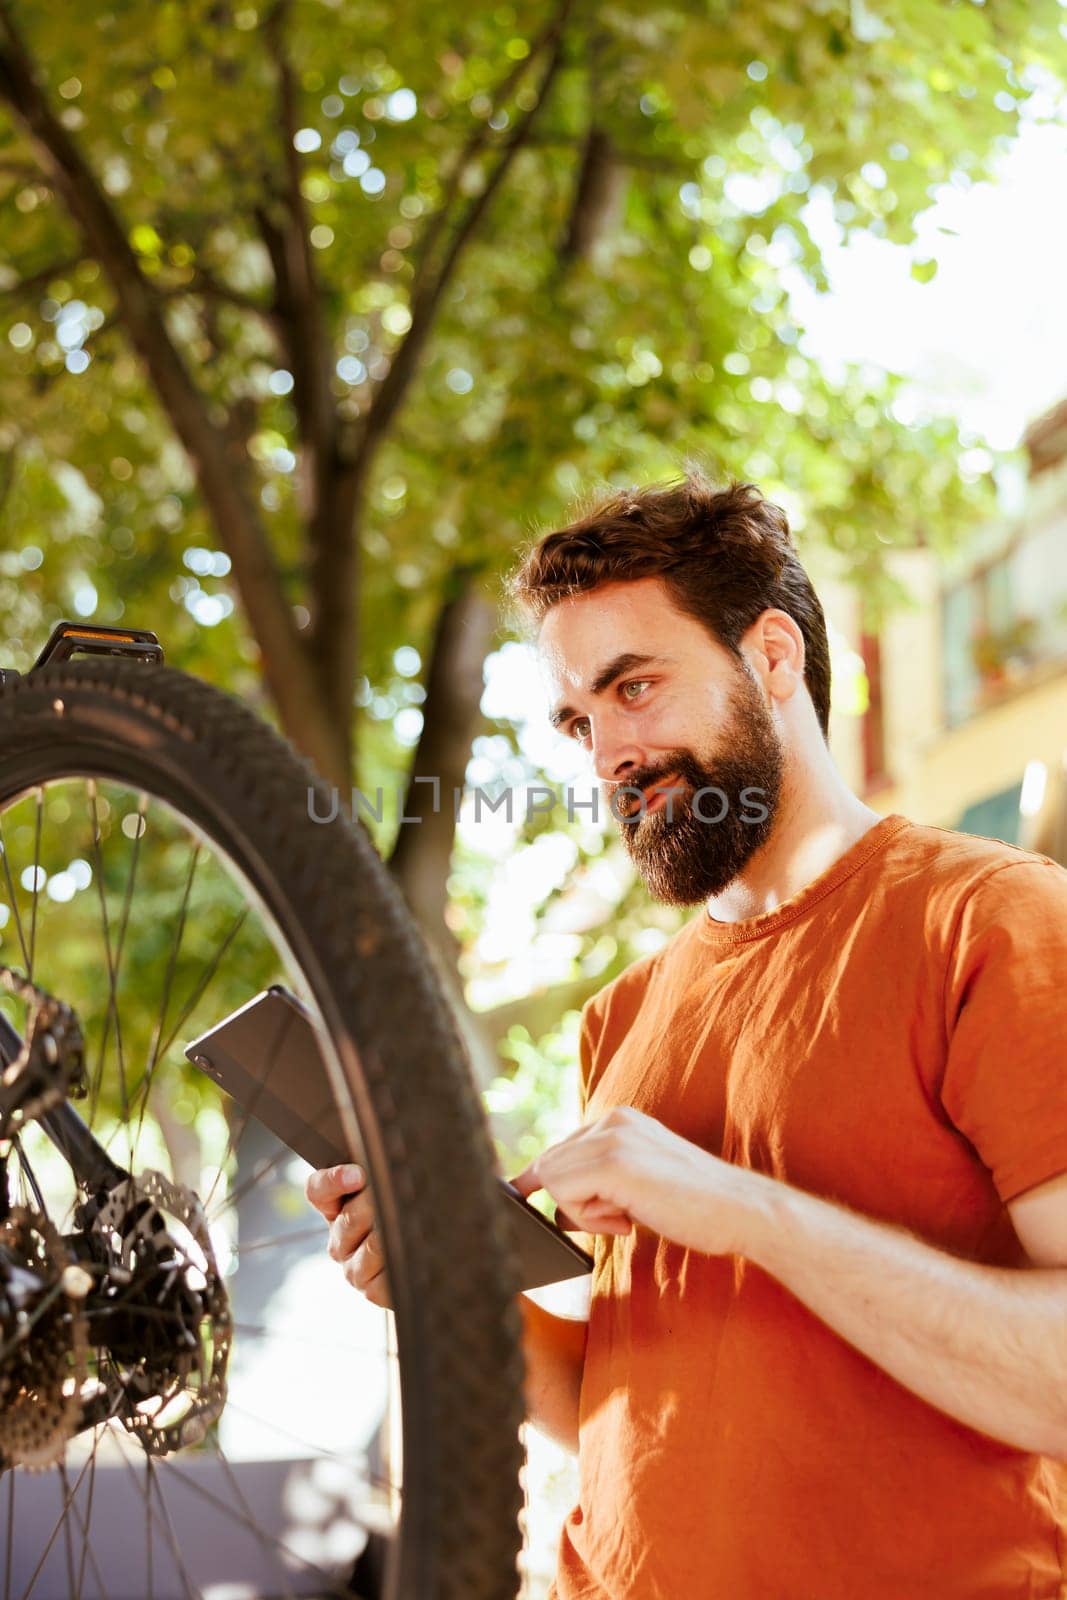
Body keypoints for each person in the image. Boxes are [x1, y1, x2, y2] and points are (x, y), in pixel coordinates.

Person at [306, 475, 1067, 1599]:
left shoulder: (990, 920)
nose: (606, 753)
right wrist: (446, 1279)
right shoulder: (621, 1016)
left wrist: (739, 1207)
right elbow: (617, 1402)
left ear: (770, 656)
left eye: (636, 686)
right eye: (579, 719)